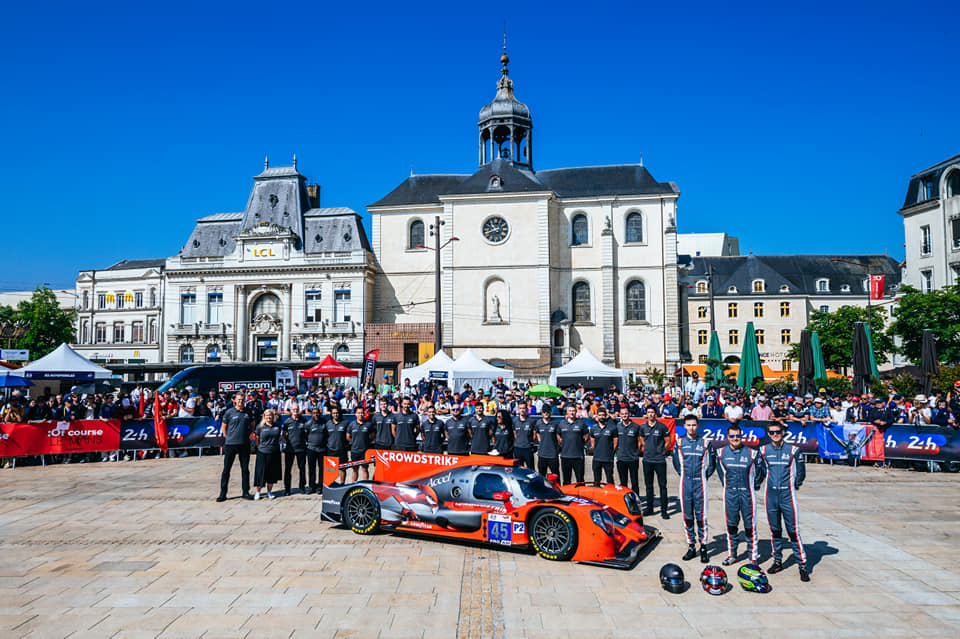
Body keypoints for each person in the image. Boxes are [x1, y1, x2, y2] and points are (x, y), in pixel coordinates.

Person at [758, 423, 809, 582]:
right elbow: (761, 471)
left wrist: (795, 485)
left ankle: (802, 564)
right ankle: (777, 560)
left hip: (787, 496)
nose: (775, 435)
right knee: (775, 530)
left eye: (778, 432)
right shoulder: (764, 450)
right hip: (771, 495)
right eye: (772, 432)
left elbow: (801, 472)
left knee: (793, 531)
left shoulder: (794, 450)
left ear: (783, 432)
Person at [716, 423, 765, 566]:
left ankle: (753, 556)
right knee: (731, 525)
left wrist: (755, 484)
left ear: (742, 437)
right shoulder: (721, 453)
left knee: (750, 526)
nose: (735, 438)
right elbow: (720, 473)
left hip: (747, 495)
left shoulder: (752, 453)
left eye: (738, 436)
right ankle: (733, 554)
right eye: (732, 436)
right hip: (730, 494)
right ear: (728, 437)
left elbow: (761, 471)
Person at [672, 414, 715, 563]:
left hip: (700, 483)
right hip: (685, 483)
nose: (691, 428)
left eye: (694, 425)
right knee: (687, 516)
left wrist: (704, 476)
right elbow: (676, 463)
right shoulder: (679, 442)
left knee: (701, 516)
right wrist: (683, 474)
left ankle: (703, 546)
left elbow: (712, 464)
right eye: (688, 425)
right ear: (684, 426)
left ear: (697, 426)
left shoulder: (705, 442)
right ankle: (691, 545)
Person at [217, 393, 254, 502]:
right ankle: (223, 494)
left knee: (245, 469)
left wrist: (246, 435)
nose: (241, 402)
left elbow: (252, 426)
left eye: (243, 400)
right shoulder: (229, 412)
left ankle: (246, 492)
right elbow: (224, 427)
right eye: (239, 400)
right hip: (230, 445)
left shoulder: (248, 412)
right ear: (234, 401)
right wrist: (228, 438)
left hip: (244, 444)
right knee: (226, 470)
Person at [639, 406, 671, 518]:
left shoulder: (662, 427)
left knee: (662, 486)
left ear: (655, 414)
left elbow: (668, 442)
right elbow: (642, 441)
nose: (651, 414)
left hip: (660, 460)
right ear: (646, 414)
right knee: (649, 486)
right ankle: (649, 508)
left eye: (652, 412)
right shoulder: (643, 427)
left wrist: (662, 452)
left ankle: (664, 510)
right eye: (649, 412)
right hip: (647, 460)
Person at [253, 408, 282, 500]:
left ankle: (269, 492)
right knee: (260, 473)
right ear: (264, 417)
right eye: (267, 415)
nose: (269, 417)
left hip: (274, 452)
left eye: (270, 415)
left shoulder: (277, 426)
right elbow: (257, 439)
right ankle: (258, 492)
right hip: (263, 452)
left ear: (273, 416)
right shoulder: (260, 427)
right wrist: (260, 448)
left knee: (271, 474)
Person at [281, 403, 309, 495]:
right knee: (288, 470)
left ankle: (302, 487)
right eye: (294, 409)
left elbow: (306, 434)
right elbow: (283, 435)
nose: (295, 411)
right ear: (291, 410)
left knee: (302, 469)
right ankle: (287, 489)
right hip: (290, 449)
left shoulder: (303, 421)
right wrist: (288, 442)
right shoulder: (287, 422)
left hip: (301, 449)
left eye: (297, 409)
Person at [558, 404, 589, 483]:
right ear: (567, 412)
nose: (572, 413)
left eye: (573, 411)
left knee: (580, 479)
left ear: (576, 412)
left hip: (578, 456)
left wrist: (580, 444)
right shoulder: (562, 424)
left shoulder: (581, 423)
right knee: (566, 480)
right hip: (565, 456)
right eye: (570, 411)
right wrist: (563, 443)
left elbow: (586, 436)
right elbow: (558, 436)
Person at [616, 405, 641, 494]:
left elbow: (640, 441)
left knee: (634, 482)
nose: (624, 415)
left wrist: (636, 452)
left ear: (629, 414)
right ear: (620, 415)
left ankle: (636, 501)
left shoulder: (636, 427)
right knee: (623, 483)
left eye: (626, 414)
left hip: (633, 458)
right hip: (621, 458)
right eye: (622, 414)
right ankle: (625, 501)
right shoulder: (617, 426)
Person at [590, 406, 618, 483]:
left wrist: (611, 453)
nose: (601, 417)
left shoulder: (612, 428)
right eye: (600, 415)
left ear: (606, 416)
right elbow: (593, 443)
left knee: (609, 479)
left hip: (608, 458)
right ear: (597, 416)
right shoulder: (593, 428)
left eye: (603, 415)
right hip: (597, 458)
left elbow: (615, 443)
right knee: (596, 480)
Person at [324, 405, 350, 484]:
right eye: (334, 413)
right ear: (331, 414)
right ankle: (331, 485)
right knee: (331, 470)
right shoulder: (328, 423)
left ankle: (342, 484)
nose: (336, 415)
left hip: (342, 449)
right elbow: (325, 436)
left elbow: (348, 436)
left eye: (337, 413)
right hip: (331, 450)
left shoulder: (345, 423)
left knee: (342, 469)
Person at [304, 407, 326, 494]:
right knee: (311, 468)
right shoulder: (308, 424)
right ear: (311, 414)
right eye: (314, 413)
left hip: (322, 449)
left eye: (317, 413)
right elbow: (305, 435)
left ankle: (320, 486)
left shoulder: (324, 423)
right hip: (311, 449)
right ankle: (311, 486)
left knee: (322, 469)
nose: (316, 414)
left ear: (319, 414)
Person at [349, 407, 373, 481]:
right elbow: (348, 437)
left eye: (362, 413)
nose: (361, 414)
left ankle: (365, 485)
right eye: (359, 413)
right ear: (355, 414)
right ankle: (353, 485)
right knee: (355, 470)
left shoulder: (368, 425)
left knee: (365, 469)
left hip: (365, 452)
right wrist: (354, 443)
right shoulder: (352, 425)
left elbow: (372, 436)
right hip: (354, 451)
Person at [534, 410, 560, 477]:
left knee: (556, 475)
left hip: (553, 455)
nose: (546, 413)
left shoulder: (555, 423)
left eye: (547, 411)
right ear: (542, 412)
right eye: (544, 411)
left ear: (550, 412)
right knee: (541, 476)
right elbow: (537, 433)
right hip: (542, 454)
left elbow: (559, 438)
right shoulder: (538, 423)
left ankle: (557, 487)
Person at [512, 400, 536, 469]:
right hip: (518, 448)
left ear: (526, 409)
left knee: (530, 469)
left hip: (528, 449)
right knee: (518, 469)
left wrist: (529, 443)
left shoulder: (531, 421)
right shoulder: (515, 421)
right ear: (518, 409)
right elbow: (514, 434)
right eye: (520, 408)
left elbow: (534, 435)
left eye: (523, 408)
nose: (522, 410)